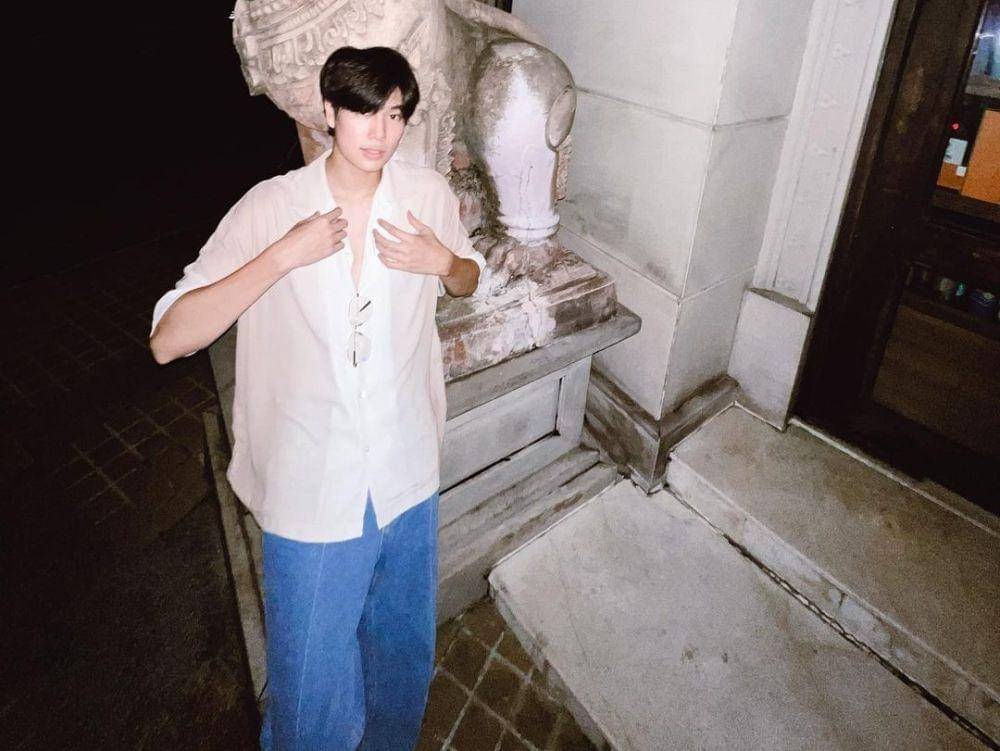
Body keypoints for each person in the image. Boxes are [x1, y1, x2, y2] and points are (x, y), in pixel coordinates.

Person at [149, 45, 485, 750]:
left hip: (407, 477)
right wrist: (281, 256)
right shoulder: (273, 207)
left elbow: (468, 278)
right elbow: (169, 338)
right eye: (362, 111)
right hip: (313, 489)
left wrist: (445, 262)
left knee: (401, 661)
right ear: (328, 112)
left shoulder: (426, 195)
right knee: (308, 694)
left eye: (394, 114)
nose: (379, 132)